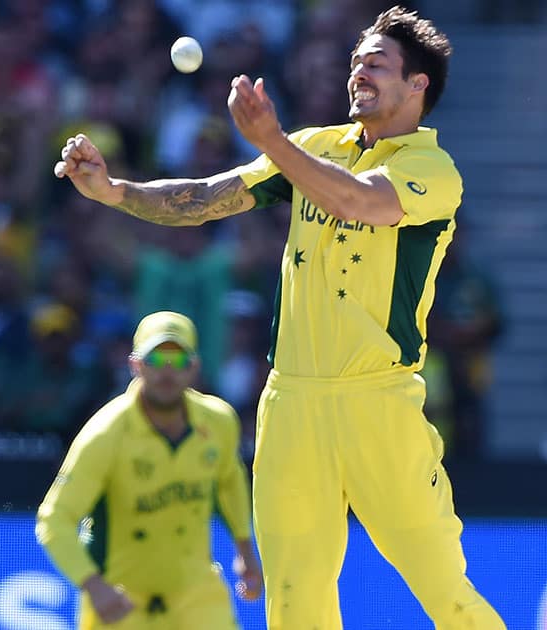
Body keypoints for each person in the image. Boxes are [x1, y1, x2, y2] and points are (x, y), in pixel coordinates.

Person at [53, 6, 505, 629]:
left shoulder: (432, 170)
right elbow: (211, 197)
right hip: (290, 406)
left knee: (442, 590)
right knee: (294, 603)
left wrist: (271, 140)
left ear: (418, 83)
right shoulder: (316, 147)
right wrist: (117, 193)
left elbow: (356, 201)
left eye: (376, 64)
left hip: (379, 404)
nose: (357, 73)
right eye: (355, 62)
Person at [37, 311, 263, 629]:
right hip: (122, 600)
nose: (167, 372)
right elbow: (54, 520)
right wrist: (94, 587)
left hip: (196, 595)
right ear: (135, 365)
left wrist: (245, 550)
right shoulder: (105, 435)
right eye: (155, 359)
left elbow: (229, 481)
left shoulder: (218, 422)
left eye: (178, 360)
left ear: (194, 367)